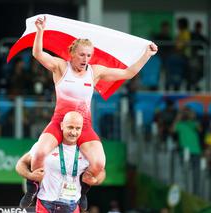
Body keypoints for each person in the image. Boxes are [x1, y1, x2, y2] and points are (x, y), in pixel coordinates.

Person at [22, 16, 157, 209]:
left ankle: (82, 190)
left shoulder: (95, 72)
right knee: (40, 153)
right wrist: (40, 31)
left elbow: (127, 73)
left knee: (98, 163)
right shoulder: (61, 67)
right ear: (72, 54)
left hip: (83, 124)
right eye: (82, 55)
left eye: (88, 55)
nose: (85, 59)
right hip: (60, 121)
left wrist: (147, 55)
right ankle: (32, 188)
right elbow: (38, 54)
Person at [16, 111, 105, 212]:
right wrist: (30, 175)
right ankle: (31, 190)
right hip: (45, 203)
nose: (73, 132)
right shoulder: (46, 145)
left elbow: (101, 172)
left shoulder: (86, 150)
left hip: (72, 205)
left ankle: (83, 194)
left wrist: (95, 180)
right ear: (62, 126)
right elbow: (20, 163)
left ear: (81, 129)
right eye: (70, 127)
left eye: (77, 128)